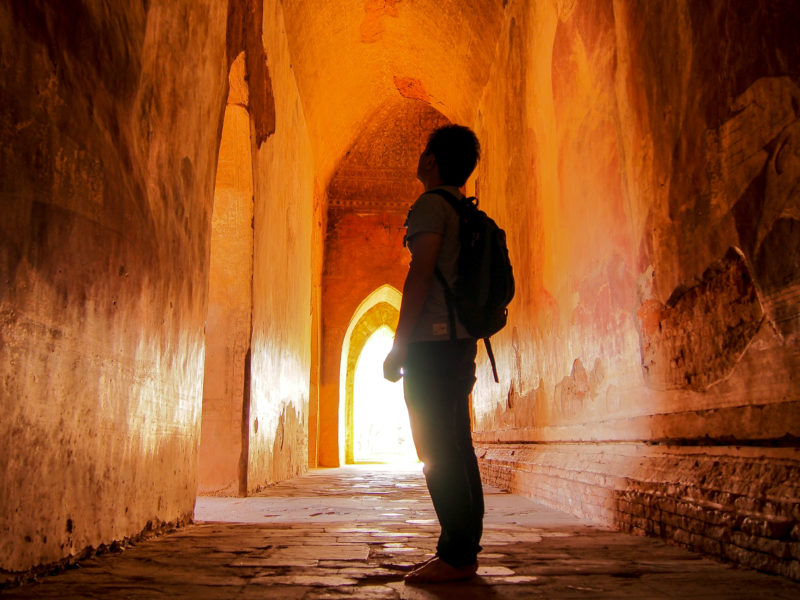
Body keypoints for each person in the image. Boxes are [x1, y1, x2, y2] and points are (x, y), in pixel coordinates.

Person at [383, 124, 484, 584]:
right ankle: (464, 550)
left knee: (435, 446)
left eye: (426, 152)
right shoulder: (465, 209)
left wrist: (398, 345)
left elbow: (420, 277)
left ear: (432, 162)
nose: (421, 158)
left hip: (431, 345)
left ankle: (456, 556)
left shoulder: (430, 205)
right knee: (457, 443)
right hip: (461, 342)